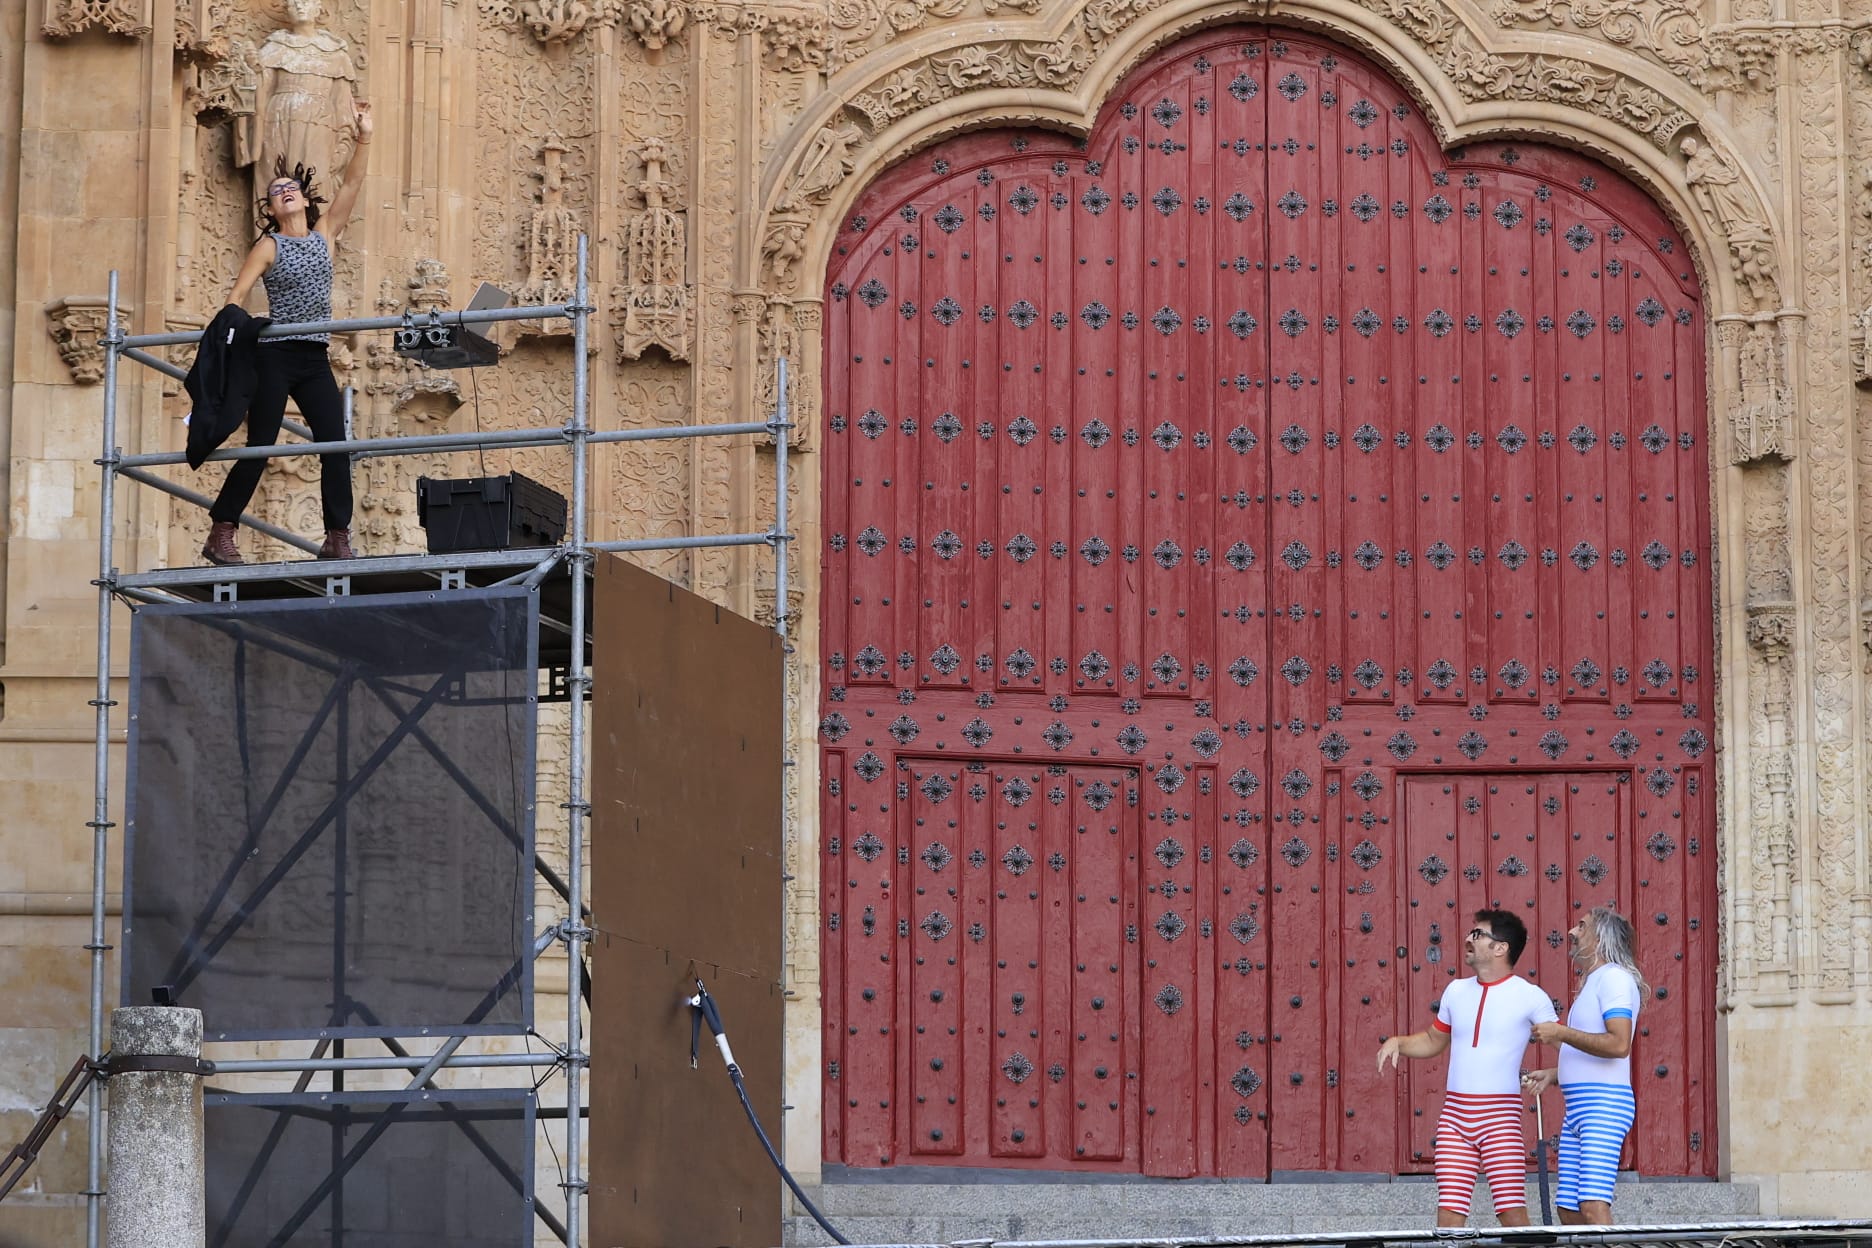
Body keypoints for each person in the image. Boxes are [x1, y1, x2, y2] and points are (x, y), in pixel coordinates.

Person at [202, 101, 372, 566]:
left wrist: (364, 136)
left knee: (336, 443)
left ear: (304, 196)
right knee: (261, 443)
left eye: (291, 187)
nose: (285, 192)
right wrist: (234, 333)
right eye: (277, 191)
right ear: (272, 207)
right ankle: (222, 529)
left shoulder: (325, 234)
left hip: (314, 356)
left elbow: (353, 183)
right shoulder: (268, 245)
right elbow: (236, 295)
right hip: (275, 354)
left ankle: (336, 537)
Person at [1377, 909, 1556, 1227]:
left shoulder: (1530, 997)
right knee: (1449, 1212)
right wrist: (1398, 1042)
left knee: (1511, 1211)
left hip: (1500, 1119)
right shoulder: (1455, 991)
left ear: (1500, 947)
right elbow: (1434, 1040)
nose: (1467, 939)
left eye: (1477, 934)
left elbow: (1563, 1044)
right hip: (1454, 1119)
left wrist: (1556, 1074)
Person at [1522, 906, 1644, 1226]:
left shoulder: (1615, 978)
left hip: (1603, 1106)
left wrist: (1560, 1032)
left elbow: (1618, 1044)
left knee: (1592, 1205)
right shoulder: (1594, 982)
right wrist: (1554, 1074)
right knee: (1569, 1210)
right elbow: (1590, 1051)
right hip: (1579, 1109)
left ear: (1601, 938)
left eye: (1581, 927)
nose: (1572, 933)